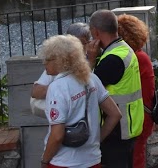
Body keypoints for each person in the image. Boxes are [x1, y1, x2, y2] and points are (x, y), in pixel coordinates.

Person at [39, 34, 121, 168]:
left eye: (48, 58)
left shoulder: (57, 87)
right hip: (93, 159)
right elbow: (115, 114)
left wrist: (44, 160)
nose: (44, 62)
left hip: (64, 162)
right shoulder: (91, 79)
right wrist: (96, 140)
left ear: (61, 60)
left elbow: (57, 135)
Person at [87, 9, 144, 168]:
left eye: (91, 33)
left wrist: (91, 60)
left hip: (115, 130)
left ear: (96, 33)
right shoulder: (123, 49)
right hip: (128, 125)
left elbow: (88, 89)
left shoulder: (112, 59)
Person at [116, 15, 155, 168]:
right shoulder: (140, 56)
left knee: (135, 159)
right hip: (143, 114)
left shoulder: (131, 58)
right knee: (136, 156)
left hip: (136, 117)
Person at [32, 23, 92, 103]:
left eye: (81, 43)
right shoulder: (59, 65)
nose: (78, 47)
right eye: (72, 44)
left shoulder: (95, 60)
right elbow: (35, 91)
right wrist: (59, 88)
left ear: (89, 43)